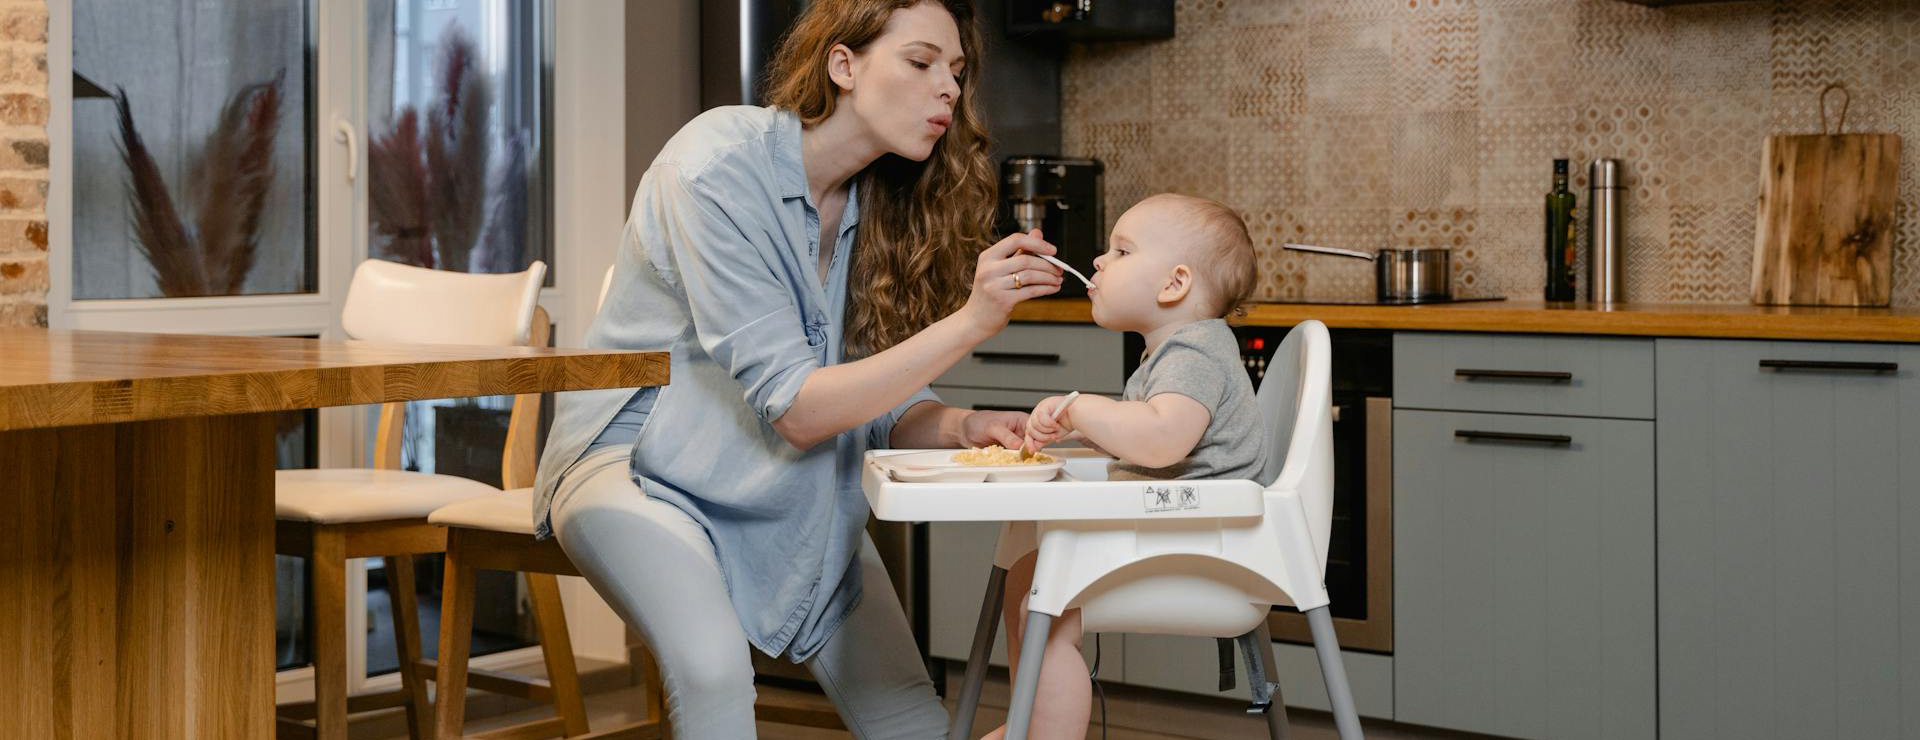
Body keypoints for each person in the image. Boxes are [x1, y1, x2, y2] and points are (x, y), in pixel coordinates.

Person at [529, 1, 1066, 737]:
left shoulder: (884, 204)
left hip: (790, 481)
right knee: (715, 674)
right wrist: (972, 321)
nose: (948, 87)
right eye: (920, 62)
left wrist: (965, 425)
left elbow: (876, 399)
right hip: (638, 469)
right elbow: (801, 409)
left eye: (956, 71)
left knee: (912, 720)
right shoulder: (714, 165)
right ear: (843, 66)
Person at [988, 193, 1265, 740]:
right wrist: (1086, 432)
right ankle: (1029, 721)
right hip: (1179, 534)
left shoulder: (1194, 354)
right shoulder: (1172, 353)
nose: (1098, 259)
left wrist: (1082, 408)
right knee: (1027, 575)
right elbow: (1154, 445)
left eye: (1121, 251)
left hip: (1198, 550)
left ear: (1174, 284)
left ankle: (1045, 733)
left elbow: (1162, 442)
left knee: (1046, 601)